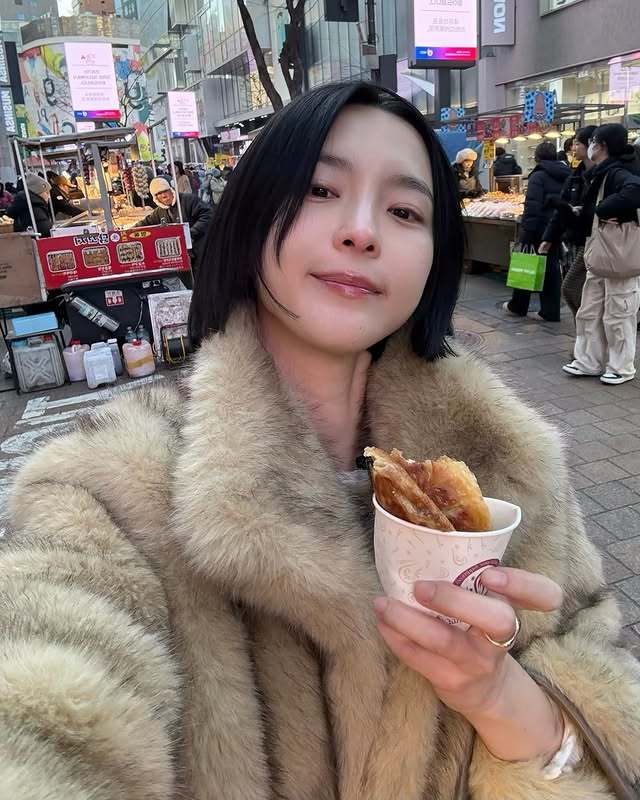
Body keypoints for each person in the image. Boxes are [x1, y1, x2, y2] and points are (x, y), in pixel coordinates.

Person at [3, 82, 640, 800]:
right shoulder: (111, 489)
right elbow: (44, 709)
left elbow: (609, 691)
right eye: (320, 190)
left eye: (404, 211)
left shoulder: (510, 467)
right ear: (251, 215)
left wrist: (503, 700)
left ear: (434, 258)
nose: (362, 231)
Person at [563, 123, 640, 385]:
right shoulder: (600, 172)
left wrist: (603, 208)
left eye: (593, 141)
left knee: (619, 312)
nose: (589, 145)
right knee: (590, 310)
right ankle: (588, 360)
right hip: (598, 253)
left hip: (618, 256)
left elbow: (634, 191)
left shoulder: (618, 172)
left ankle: (621, 367)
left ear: (602, 145)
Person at [502, 141, 570, 321]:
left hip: (539, 228)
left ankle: (518, 306)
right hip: (557, 227)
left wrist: (527, 232)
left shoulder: (538, 177)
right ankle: (550, 311)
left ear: (537, 158)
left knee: (526, 264)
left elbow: (533, 206)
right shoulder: (566, 174)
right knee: (552, 269)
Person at [539, 125, 597, 318]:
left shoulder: (605, 175)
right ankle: (582, 330)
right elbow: (562, 209)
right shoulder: (575, 176)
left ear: (592, 145)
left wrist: (583, 211)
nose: (573, 148)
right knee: (575, 292)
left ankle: (587, 330)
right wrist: (549, 238)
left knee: (573, 289)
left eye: (577, 143)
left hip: (594, 243)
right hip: (573, 241)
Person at [136, 176, 212, 268]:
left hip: (200, 250)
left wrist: (191, 233)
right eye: (159, 193)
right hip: (181, 255)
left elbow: (207, 215)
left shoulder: (188, 200)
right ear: (155, 198)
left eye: (165, 191)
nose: (164, 196)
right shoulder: (159, 211)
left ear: (171, 189)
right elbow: (146, 222)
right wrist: (128, 232)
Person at [7, 172, 53, 237]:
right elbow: (45, 230)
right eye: (46, 193)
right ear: (38, 192)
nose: (49, 196)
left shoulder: (30, 204)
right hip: (34, 241)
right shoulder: (35, 207)